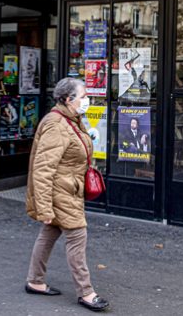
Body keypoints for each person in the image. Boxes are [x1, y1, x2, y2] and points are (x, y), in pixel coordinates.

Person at [24, 77, 110, 312]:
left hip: (68, 189)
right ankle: (86, 293)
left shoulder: (71, 119)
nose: (87, 101)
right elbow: (42, 170)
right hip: (61, 191)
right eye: (83, 97)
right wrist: (44, 209)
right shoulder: (56, 124)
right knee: (77, 237)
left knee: (49, 234)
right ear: (69, 99)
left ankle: (35, 280)